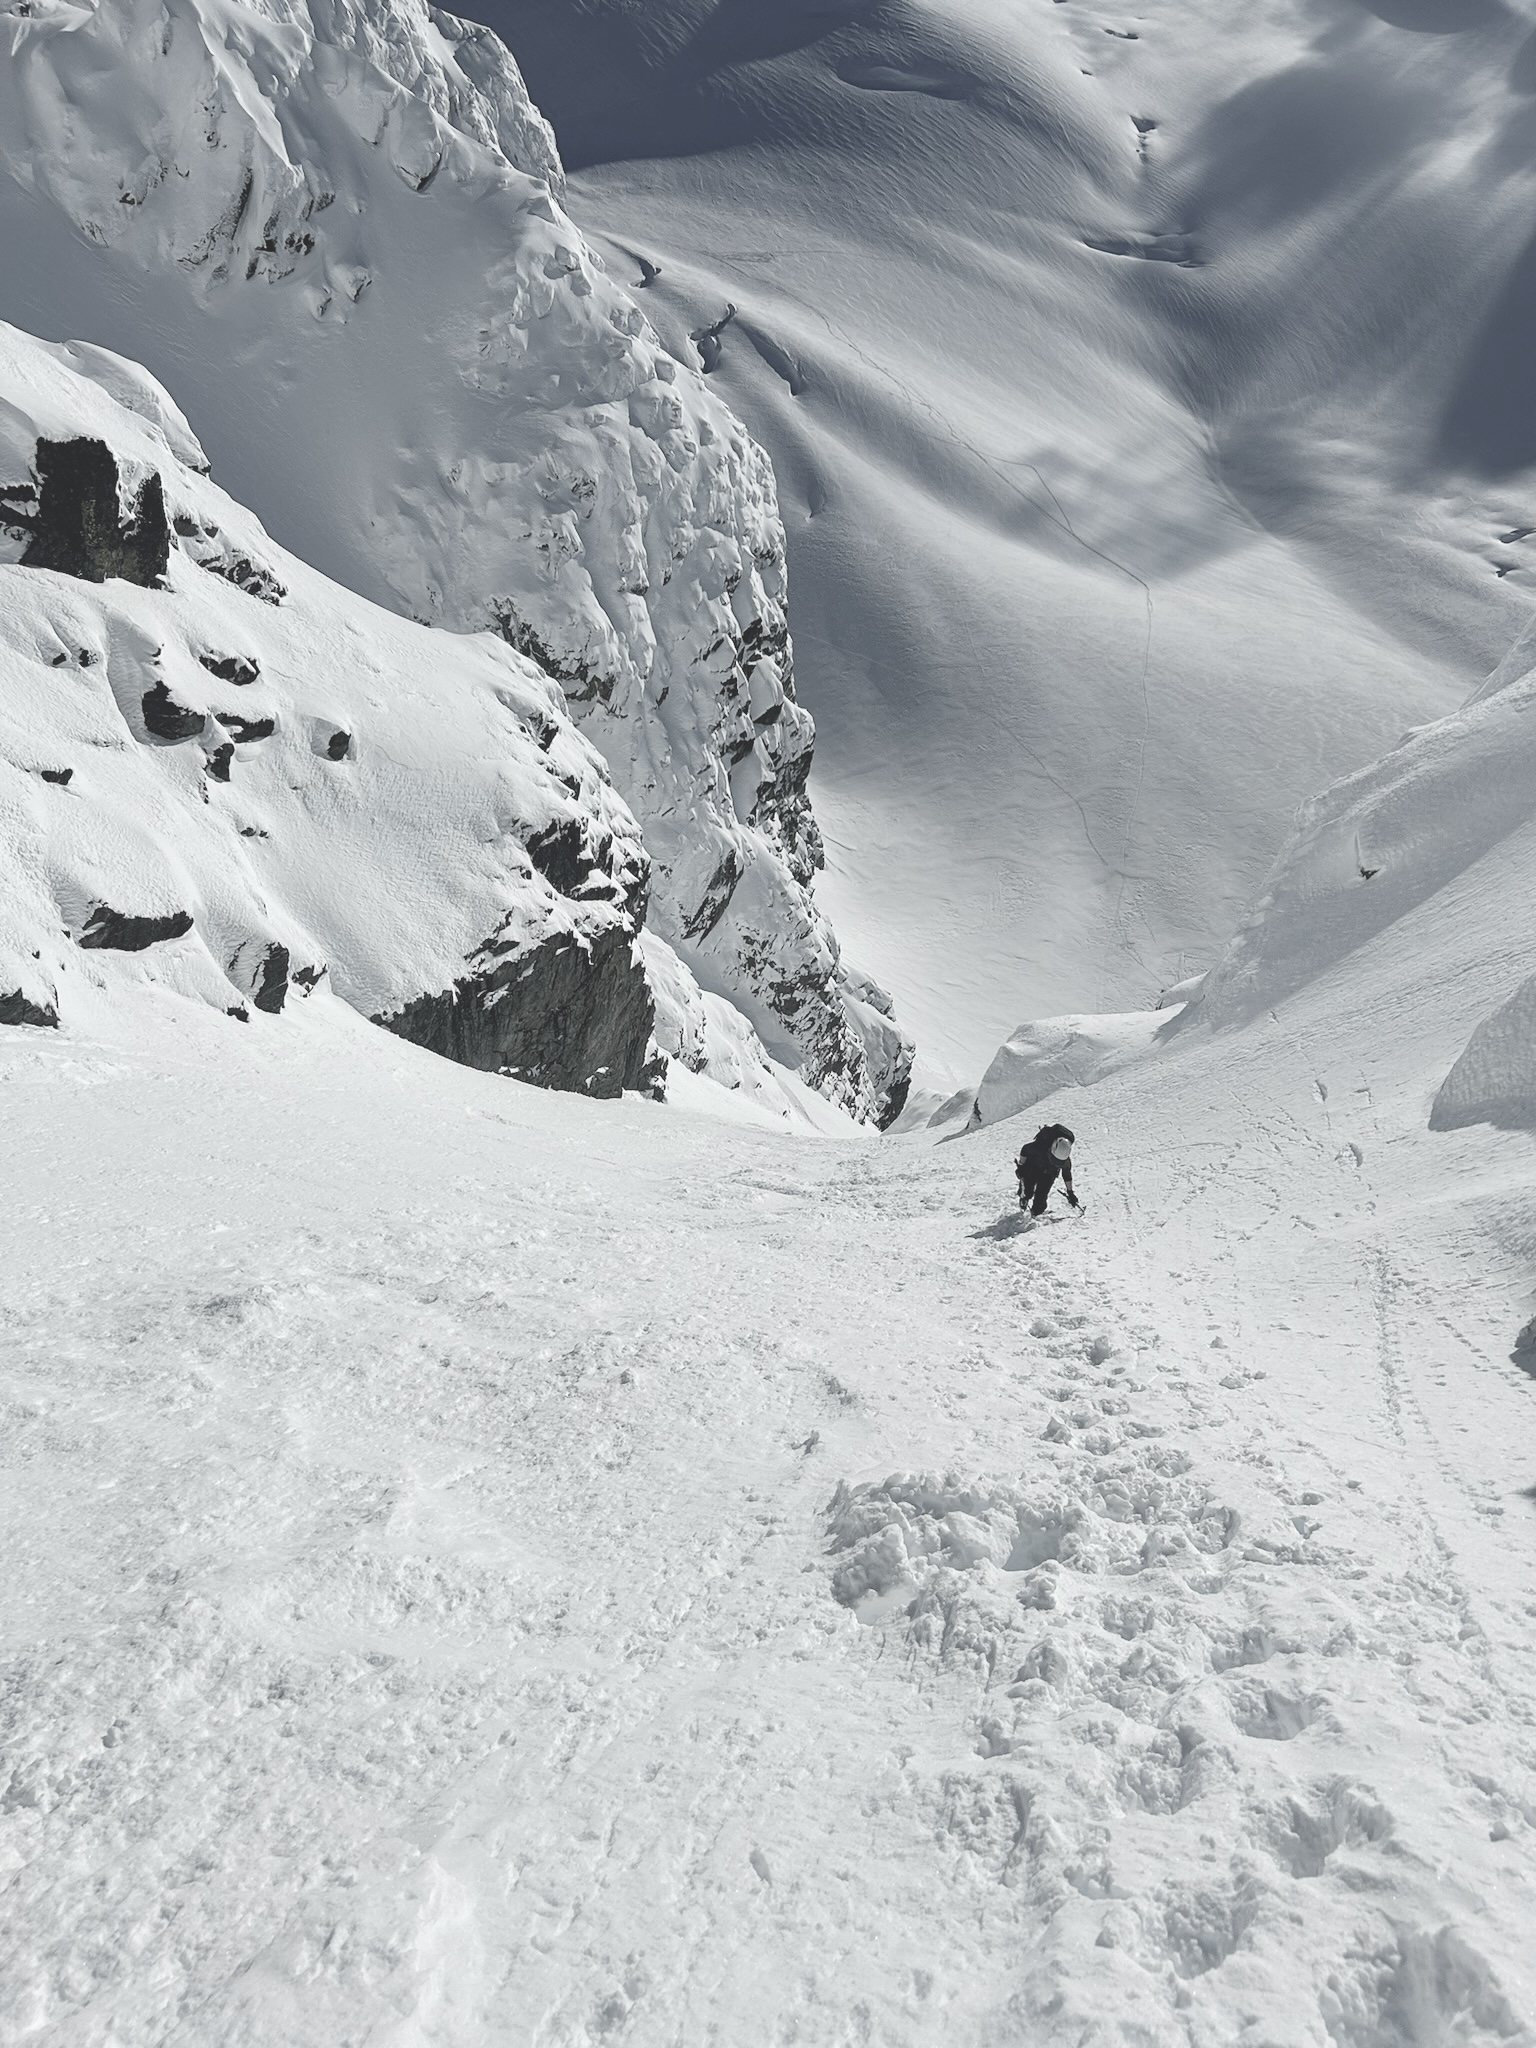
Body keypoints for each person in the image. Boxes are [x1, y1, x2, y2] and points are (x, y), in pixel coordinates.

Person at [1016, 1123, 1079, 1217]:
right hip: (1033, 1165)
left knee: (1041, 1198)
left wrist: (1070, 1193)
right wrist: (1021, 1167)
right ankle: (1024, 1198)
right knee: (1027, 1190)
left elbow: (1066, 1174)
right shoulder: (1039, 1146)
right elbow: (1025, 1149)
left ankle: (1036, 1214)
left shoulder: (1065, 1160)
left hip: (1049, 1172)